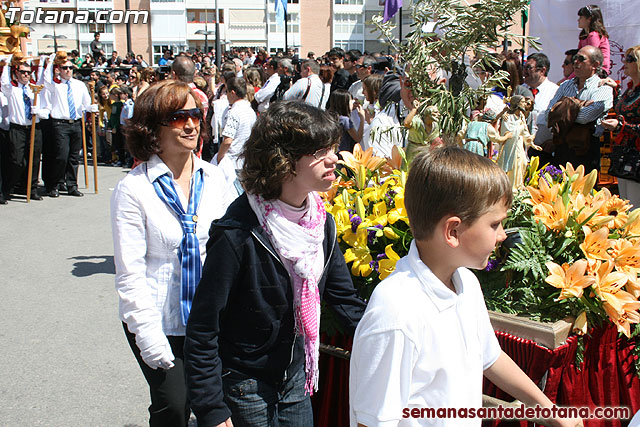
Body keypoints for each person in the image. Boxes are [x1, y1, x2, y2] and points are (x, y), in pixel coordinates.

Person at [349, 146, 581, 427]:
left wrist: (550, 411)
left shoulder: (466, 283)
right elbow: (373, 421)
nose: (502, 236)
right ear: (453, 232)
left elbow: (490, 357)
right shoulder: (397, 313)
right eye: (495, 224)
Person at [184, 100, 366, 427]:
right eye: (319, 151)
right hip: (243, 382)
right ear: (283, 160)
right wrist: (211, 406)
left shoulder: (320, 222)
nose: (334, 159)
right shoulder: (239, 231)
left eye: (333, 148)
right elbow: (203, 325)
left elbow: (344, 300)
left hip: (295, 374)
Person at [111, 79, 235, 427]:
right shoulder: (133, 190)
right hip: (159, 319)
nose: (192, 124)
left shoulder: (215, 178)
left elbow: (230, 251)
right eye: (179, 117)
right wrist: (149, 338)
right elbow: (130, 275)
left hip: (209, 319)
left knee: (218, 407)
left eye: (195, 114)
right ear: (152, 128)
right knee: (173, 406)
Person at [543, 45, 613, 172]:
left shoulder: (603, 88)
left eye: (581, 59)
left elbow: (585, 118)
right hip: (562, 147)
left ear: (595, 65)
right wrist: (581, 105)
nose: (575, 62)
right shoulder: (565, 85)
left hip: (586, 149)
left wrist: (564, 108)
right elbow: (549, 114)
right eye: (575, 58)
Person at [42, 51, 98, 197]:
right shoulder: (55, 85)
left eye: (70, 68)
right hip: (60, 123)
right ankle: (55, 184)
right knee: (61, 155)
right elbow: (46, 80)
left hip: (76, 123)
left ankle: (72, 185)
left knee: (74, 156)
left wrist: (91, 108)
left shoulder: (79, 85)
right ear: (59, 70)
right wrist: (51, 62)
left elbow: (86, 103)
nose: (68, 71)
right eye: (64, 68)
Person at [0, 56, 48, 201]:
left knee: (34, 159)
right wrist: (7, 64)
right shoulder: (12, 90)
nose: (26, 75)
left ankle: (31, 189)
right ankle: (7, 189)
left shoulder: (35, 89)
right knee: (16, 160)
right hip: (18, 129)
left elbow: (45, 108)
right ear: (16, 74)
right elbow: (4, 82)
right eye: (23, 72)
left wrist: (38, 112)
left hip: (34, 127)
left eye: (28, 72)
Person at [602, 45, 640, 207]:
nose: (625, 62)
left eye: (630, 59)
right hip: (623, 155)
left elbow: (625, 121)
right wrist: (615, 90)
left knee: (634, 208)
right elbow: (621, 111)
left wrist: (621, 126)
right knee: (626, 204)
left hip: (636, 157)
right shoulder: (630, 90)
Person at [523, 52, 559, 165]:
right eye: (524, 67)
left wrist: (555, 142)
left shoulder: (555, 92)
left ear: (542, 70)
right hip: (521, 151)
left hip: (544, 152)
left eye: (529, 67)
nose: (524, 71)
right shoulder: (520, 90)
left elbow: (561, 121)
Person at [577, 4, 610, 75]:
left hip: (599, 71)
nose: (578, 20)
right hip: (588, 68)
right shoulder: (584, 37)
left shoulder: (594, 35)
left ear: (589, 19)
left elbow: (590, 57)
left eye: (581, 17)